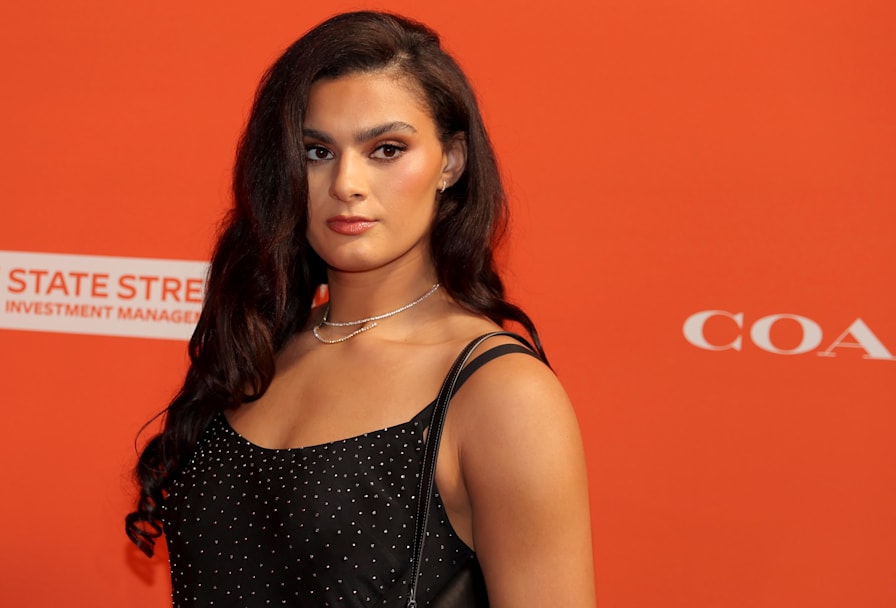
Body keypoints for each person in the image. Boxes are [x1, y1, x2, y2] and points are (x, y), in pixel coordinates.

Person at [127, 10, 595, 607]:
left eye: (386, 149)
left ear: (450, 162)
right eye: (317, 151)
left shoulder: (500, 393)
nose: (346, 182)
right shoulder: (260, 349)